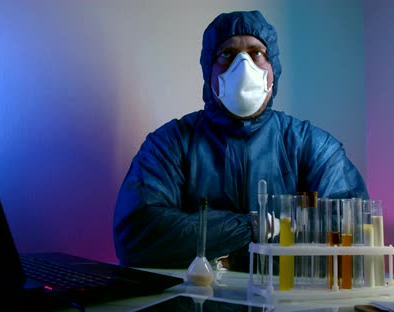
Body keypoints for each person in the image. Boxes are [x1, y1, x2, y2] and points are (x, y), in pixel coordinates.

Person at [113, 10, 368, 271]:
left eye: (256, 53)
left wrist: (234, 258)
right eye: (227, 54)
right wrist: (255, 227)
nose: (243, 66)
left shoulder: (314, 148)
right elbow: (137, 233)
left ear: (273, 70)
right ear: (208, 71)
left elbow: (352, 234)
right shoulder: (170, 145)